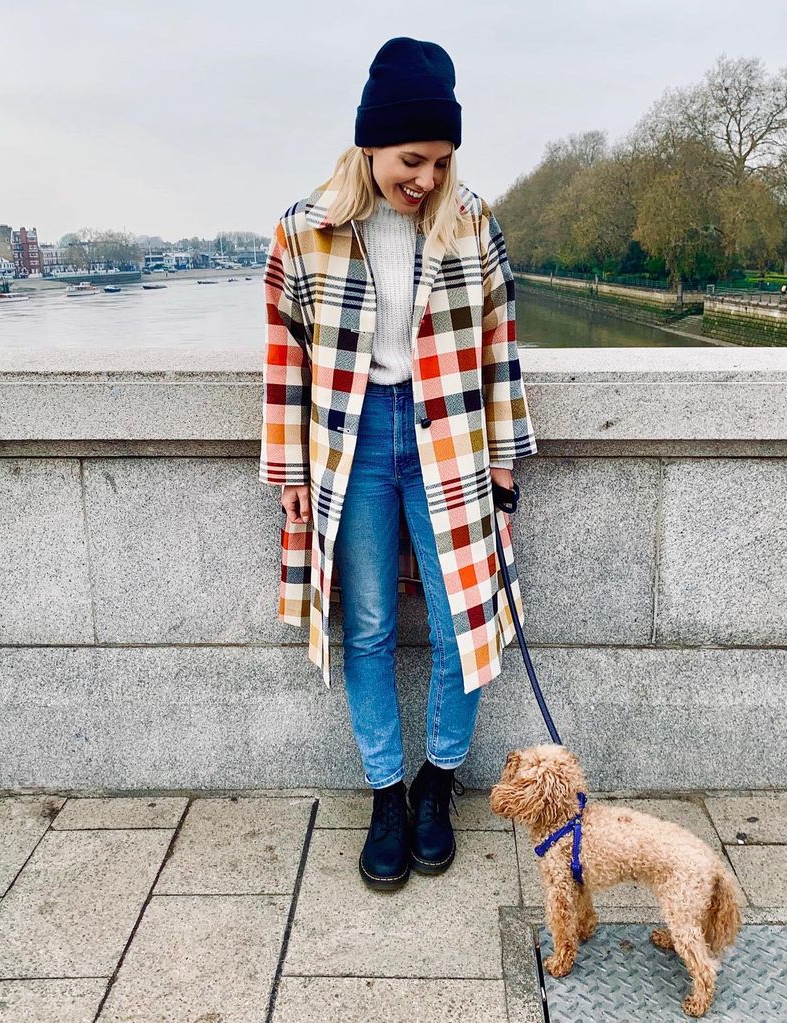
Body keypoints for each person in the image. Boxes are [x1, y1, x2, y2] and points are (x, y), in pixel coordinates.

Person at [260, 36, 538, 891]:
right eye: (411, 159)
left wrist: (502, 463)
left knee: (466, 622)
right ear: (370, 144)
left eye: (442, 160)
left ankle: (436, 781)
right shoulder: (303, 232)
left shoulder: (471, 221)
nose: (425, 178)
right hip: (349, 439)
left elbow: (498, 348)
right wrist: (291, 475)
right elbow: (282, 357)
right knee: (371, 627)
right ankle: (385, 789)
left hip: (447, 432)